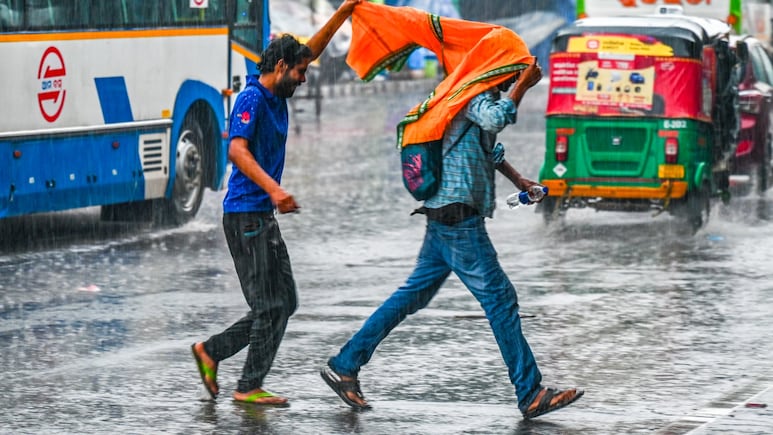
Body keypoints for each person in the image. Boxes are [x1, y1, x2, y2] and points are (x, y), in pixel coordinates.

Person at [320, 58, 584, 418]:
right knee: (500, 301)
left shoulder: (467, 93)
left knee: (411, 296)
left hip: (445, 217)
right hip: (458, 220)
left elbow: (487, 146)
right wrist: (524, 85)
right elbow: (493, 120)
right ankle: (530, 392)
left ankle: (346, 363)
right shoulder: (471, 92)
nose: (509, 84)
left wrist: (519, 181)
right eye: (509, 76)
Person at [191, 0, 362, 406]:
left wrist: (346, 11)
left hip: (259, 215)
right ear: (281, 67)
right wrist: (275, 189)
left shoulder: (278, 90)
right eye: (300, 72)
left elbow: (312, 49)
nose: (304, 78)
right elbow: (236, 151)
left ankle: (212, 352)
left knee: (284, 302)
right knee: (271, 306)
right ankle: (248, 386)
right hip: (246, 215)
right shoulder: (252, 99)